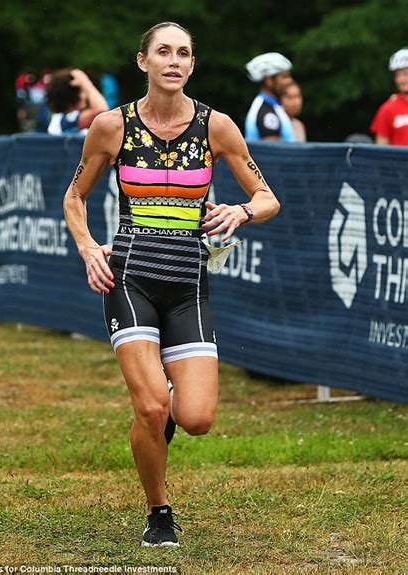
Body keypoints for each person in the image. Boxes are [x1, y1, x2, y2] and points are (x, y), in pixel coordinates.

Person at [63, 22, 280, 547]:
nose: (174, 61)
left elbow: (268, 197)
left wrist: (242, 210)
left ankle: (157, 414)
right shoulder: (111, 127)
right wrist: (91, 248)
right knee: (152, 407)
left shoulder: (217, 126)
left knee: (197, 417)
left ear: (191, 65)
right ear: (144, 62)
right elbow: (75, 197)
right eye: (163, 51)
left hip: (189, 283)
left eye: (183, 53)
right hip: (130, 277)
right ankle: (159, 510)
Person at [244, 52, 295, 142]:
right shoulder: (266, 112)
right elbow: (272, 153)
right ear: (269, 80)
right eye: (284, 76)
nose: (290, 80)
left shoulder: (272, 106)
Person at [45, 68, 109, 135]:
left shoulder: (58, 119)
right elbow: (101, 110)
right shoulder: (68, 119)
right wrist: (85, 82)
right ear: (73, 95)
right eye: (81, 91)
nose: (85, 95)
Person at [370, 48, 408, 146]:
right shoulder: (388, 109)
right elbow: (381, 150)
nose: (401, 80)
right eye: (397, 75)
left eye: (405, 74)